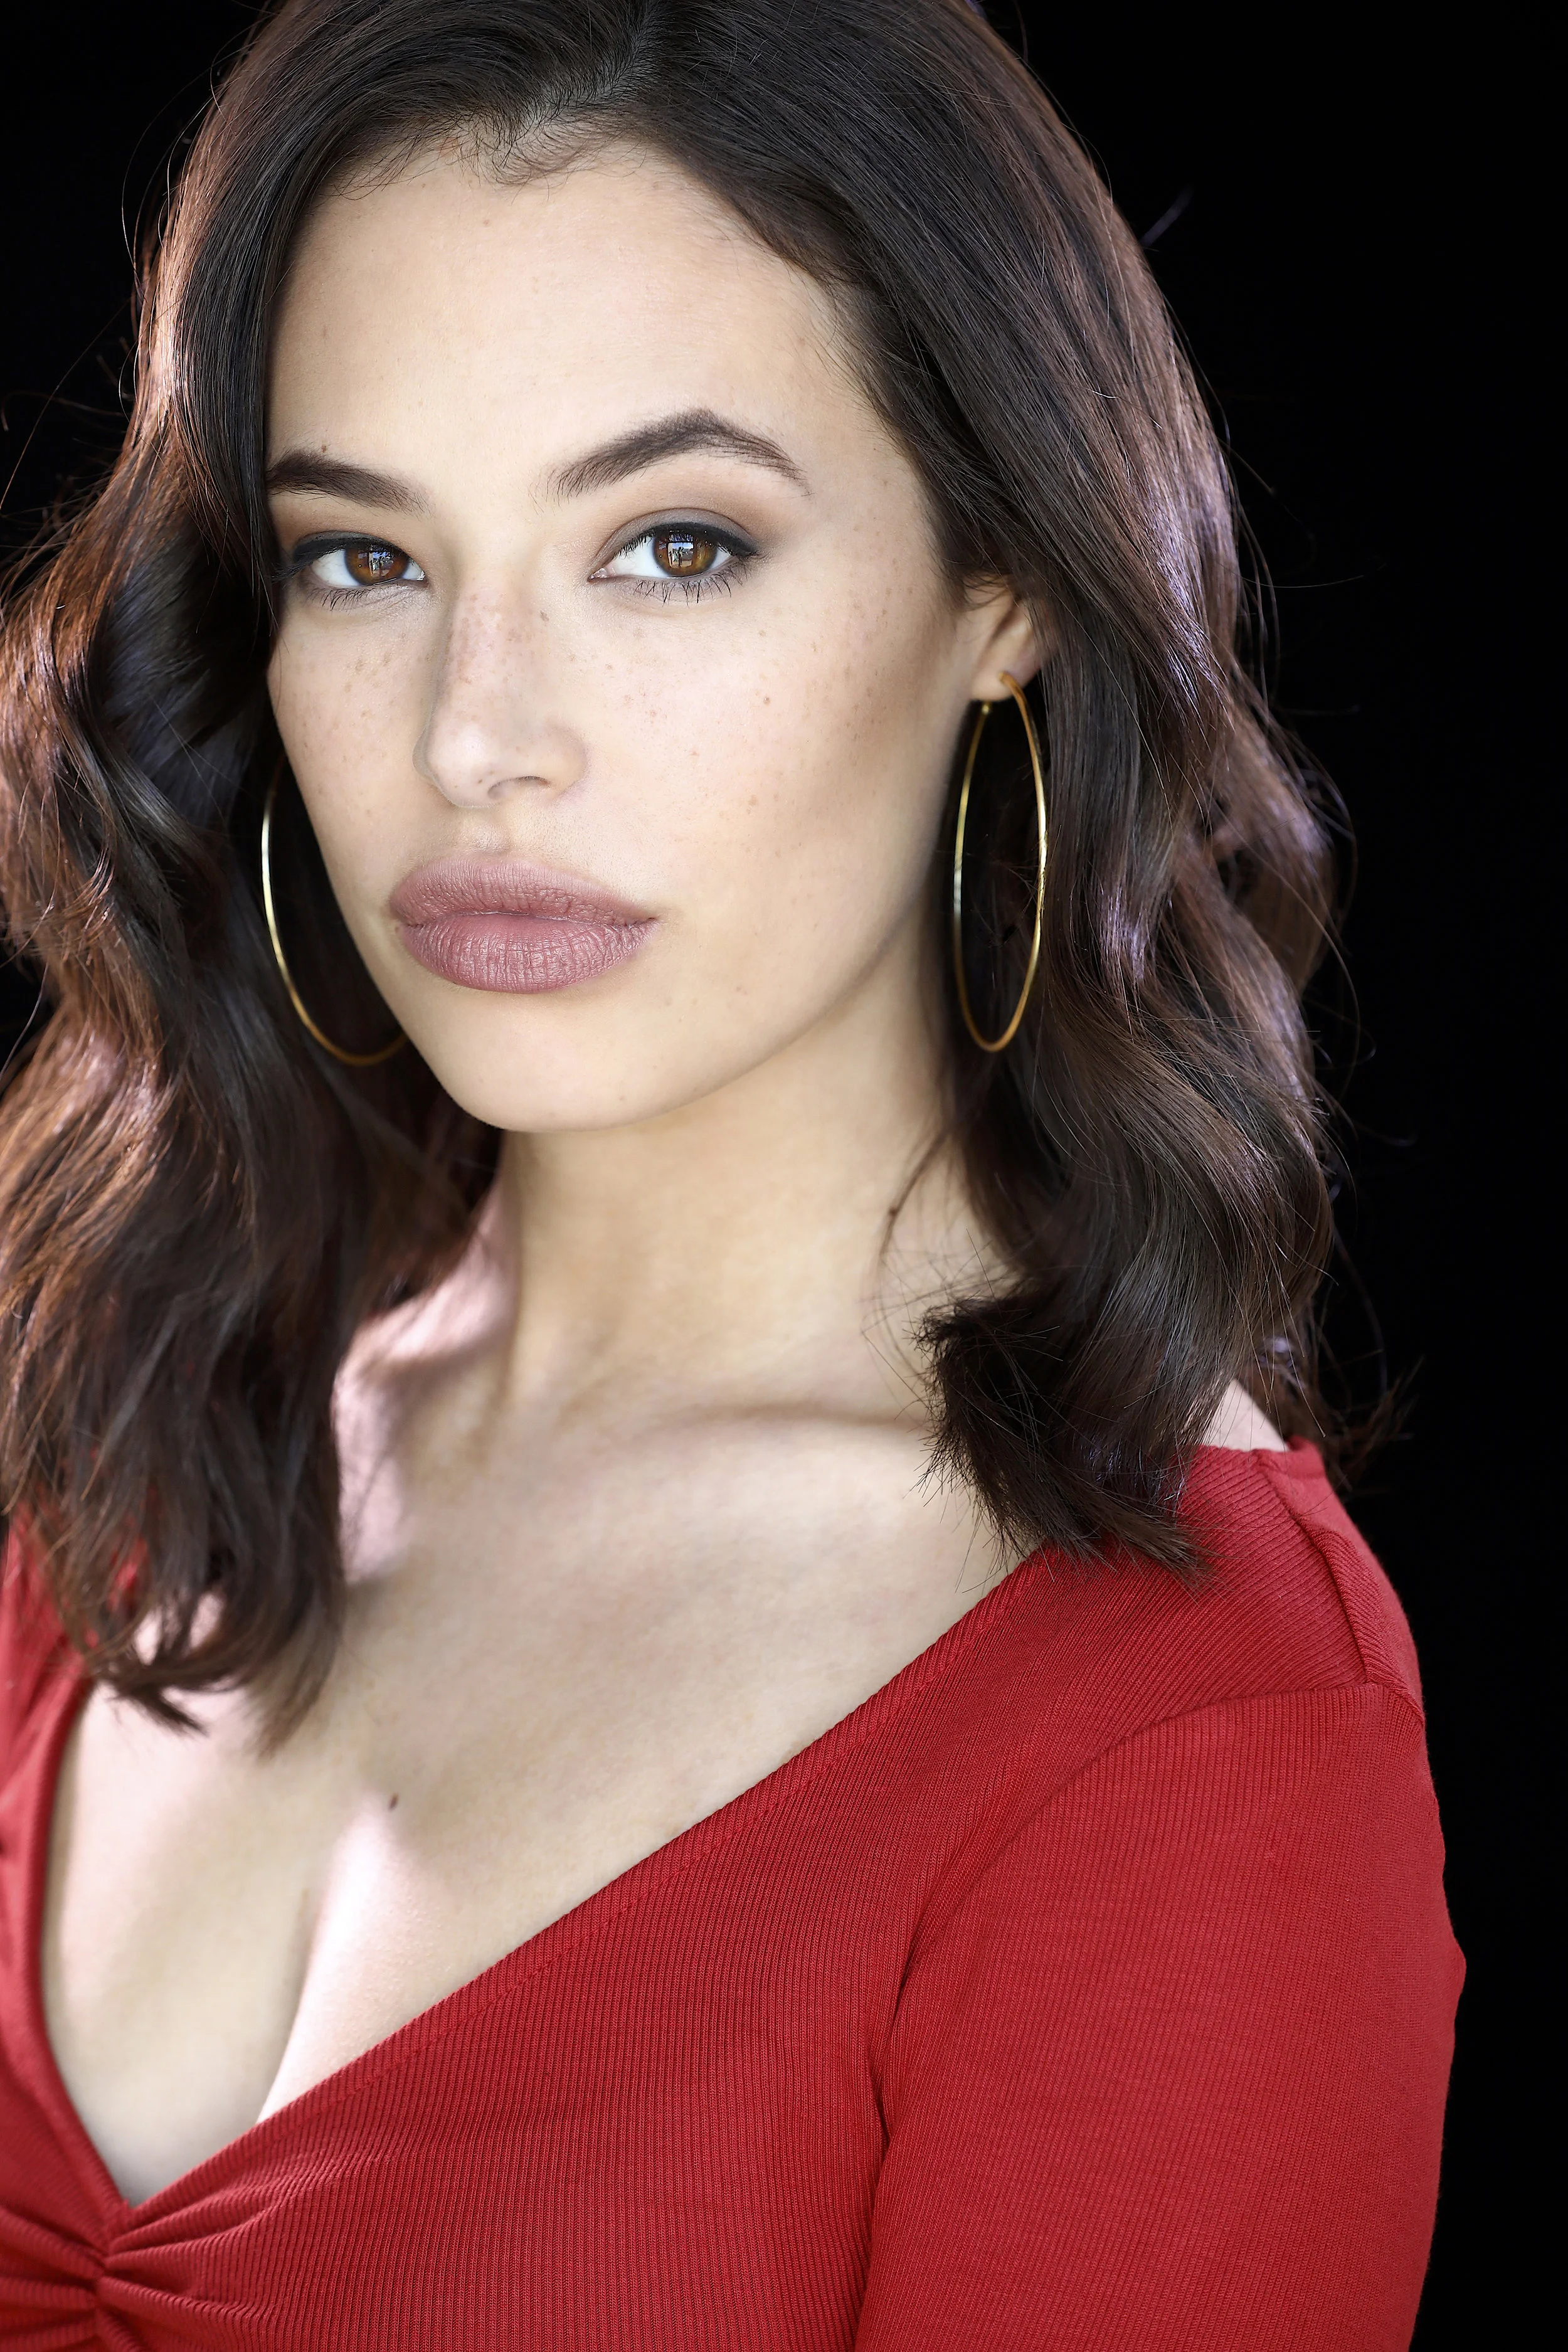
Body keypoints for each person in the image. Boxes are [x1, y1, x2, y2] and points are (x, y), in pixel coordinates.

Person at [0, 1, 1461, 2343]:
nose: (478, 736)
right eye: (362, 558)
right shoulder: (137, 1416)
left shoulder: (1186, 1737)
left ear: (1004, 590)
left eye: (672, 547)